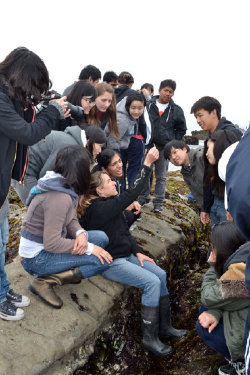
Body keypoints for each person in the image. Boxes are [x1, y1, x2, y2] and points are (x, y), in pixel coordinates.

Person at [78, 147, 187, 356]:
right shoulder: (99, 209)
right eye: (109, 182)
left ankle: (165, 328)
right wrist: (146, 165)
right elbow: (132, 193)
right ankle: (150, 339)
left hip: (127, 256)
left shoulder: (110, 204)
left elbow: (124, 231)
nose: (113, 183)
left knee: (160, 275)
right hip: (111, 262)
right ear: (99, 191)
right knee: (151, 283)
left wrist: (138, 252)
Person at [0, 47, 68, 321]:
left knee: (3, 241)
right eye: (33, 86)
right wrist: (50, 111)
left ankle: (3, 289)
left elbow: (24, 120)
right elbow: (27, 133)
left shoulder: (8, 96)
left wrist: (37, 105)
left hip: (2, 187)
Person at [19, 145, 112, 309]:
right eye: (88, 166)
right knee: (101, 261)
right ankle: (44, 281)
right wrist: (89, 249)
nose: (91, 170)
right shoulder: (58, 197)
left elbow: (70, 219)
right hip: (36, 258)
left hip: (45, 247)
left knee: (102, 238)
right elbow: (52, 243)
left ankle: (67, 270)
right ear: (80, 169)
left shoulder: (59, 182)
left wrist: (80, 233)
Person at [196, 221, 249, 375]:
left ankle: (242, 363)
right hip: (244, 311)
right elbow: (231, 299)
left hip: (246, 338)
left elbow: (208, 296)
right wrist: (216, 312)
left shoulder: (238, 277)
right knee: (209, 311)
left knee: (204, 324)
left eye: (213, 247)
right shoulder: (246, 255)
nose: (211, 251)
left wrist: (212, 267)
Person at [14, 125, 107, 206]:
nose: (100, 151)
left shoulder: (74, 142)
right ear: (90, 141)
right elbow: (46, 176)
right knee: (40, 211)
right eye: (100, 146)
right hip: (25, 172)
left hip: (28, 169)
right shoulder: (70, 145)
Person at [138, 79, 187, 213]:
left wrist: (172, 143)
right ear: (159, 90)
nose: (168, 94)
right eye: (165, 90)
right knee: (145, 173)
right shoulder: (148, 105)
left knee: (161, 177)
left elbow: (182, 129)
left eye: (171, 92)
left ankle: (158, 203)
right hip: (147, 146)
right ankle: (144, 197)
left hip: (164, 149)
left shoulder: (176, 110)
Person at [225, 126, 250, 374]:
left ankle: (238, 363)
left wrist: (211, 268)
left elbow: (220, 293)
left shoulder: (239, 262)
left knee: (205, 323)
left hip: (238, 341)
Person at [92, 148, 142, 228]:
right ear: (104, 169)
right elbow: (103, 207)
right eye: (114, 164)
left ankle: (123, 232)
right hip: (102, 215)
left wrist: (132, 202)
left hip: (115, 205)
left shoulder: (118, 175)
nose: (119, 165)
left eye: (120, 161)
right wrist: (123, 206)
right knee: (127, 215)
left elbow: (121, 193)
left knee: (136, 210)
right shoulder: (98, 181)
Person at [202, 130, 238, 227]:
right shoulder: (214, 167)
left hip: (228, 207)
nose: (206, 153)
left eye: (208, 148)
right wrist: (206, 208)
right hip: (216, 202)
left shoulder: (235, 167)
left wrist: (230, 208)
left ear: (218, 146)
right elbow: (207, 185)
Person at [110, 93, 146, 189]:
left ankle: (127, 196)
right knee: (122, 170)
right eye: (133, 108)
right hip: (116, 148)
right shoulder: (122, 121)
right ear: (127, 107)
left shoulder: (129, 116)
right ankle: (126, 197)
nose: (136, 111)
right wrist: (126, 144)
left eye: (140, 108)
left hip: (121, 145)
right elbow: (111, 143)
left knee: (125, 170)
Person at [164, 140, 204, 210]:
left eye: (175, 152)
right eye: (169, 157)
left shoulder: (201, 157)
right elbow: (197, 194)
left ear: (185, 149)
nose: (173, 157)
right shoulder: (185, 172)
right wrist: (205, 209)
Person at [87, 82, 120, 148]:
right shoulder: (85, 111)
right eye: (103, 100)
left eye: (109, 101)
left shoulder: (109, 113)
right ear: (94, 97)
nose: (107, 104)